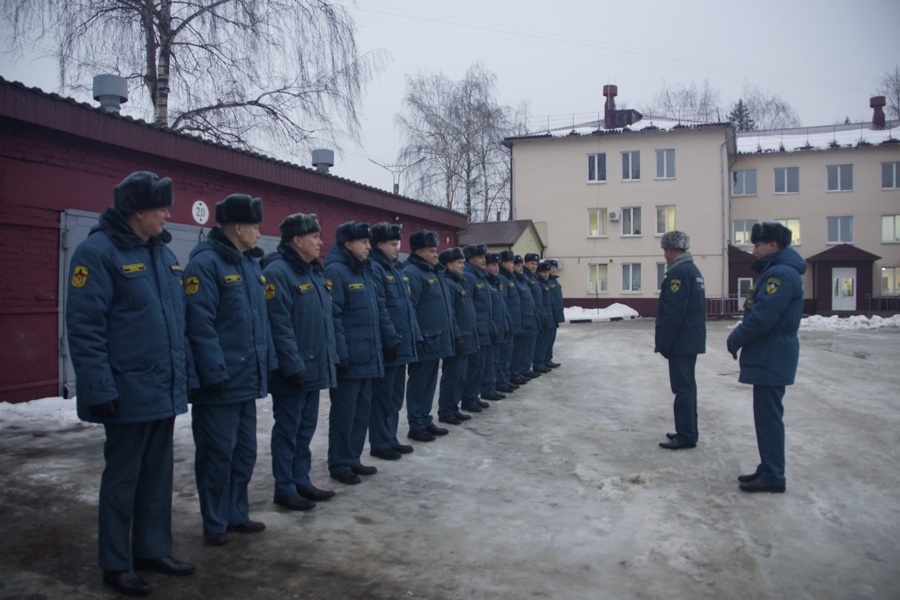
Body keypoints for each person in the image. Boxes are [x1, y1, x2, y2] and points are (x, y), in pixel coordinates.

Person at [66, 171, 195, 596]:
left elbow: (175, 323)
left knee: (157, 477)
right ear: (138, 211)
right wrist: (99, 388)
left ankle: (152, 549)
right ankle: (116, 562)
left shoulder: (161, 254)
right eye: (161, 208)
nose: (167, 214)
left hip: (160, 387)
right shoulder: (96, 254)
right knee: (122, 481)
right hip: (124, 392)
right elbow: (85, 328)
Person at [185, 193, 276, 546]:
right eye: (255, 226)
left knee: (243, 452)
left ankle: (237, 513)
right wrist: (213, 372)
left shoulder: (250, 264)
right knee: (216, 455)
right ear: (238, 227)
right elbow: (200, 323)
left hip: (245, 379)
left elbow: (257, 322)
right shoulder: (205, 265)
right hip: (219, 383)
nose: (258, 233)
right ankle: (215, 521)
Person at [262, 213, 338, 511]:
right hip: (292, 370)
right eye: (315, 237)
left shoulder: (312, 272)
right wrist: (292, 365)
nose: (320, 242)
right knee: (288, 429)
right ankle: (285, 486)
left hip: (314, 366)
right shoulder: (278, 272)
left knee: (305, 429)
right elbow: (279, 324)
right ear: (297, 240)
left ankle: (300, 479)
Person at [727, 221, 805, 494]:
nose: (754, 249)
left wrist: (736, 337)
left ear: (773, 245)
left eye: (758, 244)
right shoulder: (776, 271)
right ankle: (769, 466)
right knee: (765, 416)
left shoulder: (781, 275)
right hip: (771, 352)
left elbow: (763, 317)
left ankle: (773, 474)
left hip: (772, 352)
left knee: (768, 416)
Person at [325, 221, 399, 484]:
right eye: (363, 242)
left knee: (361, 412)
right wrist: (341, 354)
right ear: (348, 244)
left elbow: (378, 308)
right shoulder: (336, 271)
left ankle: (353, 458)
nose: (369, 246)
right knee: (344, 414)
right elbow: (333, 317)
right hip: (350, 359)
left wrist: (388, 340)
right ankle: (340, 463)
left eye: (369, 242)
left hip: (369, 355)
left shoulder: (364, 270)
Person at [369, 222, 421, 459]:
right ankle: (380, 442)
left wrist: (413, 335)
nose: (396, 248)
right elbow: (381, 308)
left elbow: (407, 308)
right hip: (389, 345)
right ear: (379, 244)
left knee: (394, 396)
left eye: (397, 244)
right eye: (392, 244)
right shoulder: (376, 269)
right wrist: (390, 339)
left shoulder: (395, 269)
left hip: (401, 342)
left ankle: (390, 437)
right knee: (383, 397)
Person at [654, 231, 706, 451]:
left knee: (682, 389)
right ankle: (688, 430)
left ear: (672, 250)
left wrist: (664, 342)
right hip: (690, 339)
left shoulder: (679, 273)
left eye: (666, 251)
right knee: (688, 388)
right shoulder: (692, 270)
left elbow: (673, 311)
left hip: (681, 341)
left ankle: (686, 434)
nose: (665, 255)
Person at [403, 230, 456, 441]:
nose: (437, 254)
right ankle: (416, 424)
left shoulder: (435, 272)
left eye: (437, 250)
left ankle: (425, 419)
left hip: (437, 338)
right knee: (419, 383)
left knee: (429, 382)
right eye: (432, 251)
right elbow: (410, 309)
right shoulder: (412, 273)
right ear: (418, 251)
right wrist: (417, 337)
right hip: (424, 340)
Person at [437, 247, 477, 425]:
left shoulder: (460, 282)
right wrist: (457, 336)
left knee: (461, 375)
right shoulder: (448, 284)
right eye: (459, 262)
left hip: (468, 336)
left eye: (463, 261)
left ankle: (454, 408)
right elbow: (450, 314)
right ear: (448, 264)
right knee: (452, 376)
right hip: (457, 338)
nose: (463, 265)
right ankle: (446, 410)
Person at [461, 243, 495, 413]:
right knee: (473, 367)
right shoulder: (468, 277)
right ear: (470, 259)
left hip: (484, 329)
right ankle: (467, 398)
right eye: (480, 257)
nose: (484, 259)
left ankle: (474, 396)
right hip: (475, 331)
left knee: (480, 367)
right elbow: (468, 306)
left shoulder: (481, 276)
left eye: (484, 256)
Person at [482, 252, 512, 400]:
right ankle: (486, 388)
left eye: (497, 265)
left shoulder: (497, 282)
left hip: (499, 326)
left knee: (495, 360)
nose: (496, 268)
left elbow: (502, 304)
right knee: (488, 362)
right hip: (489, 327)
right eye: (493, 265)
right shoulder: (485, 282)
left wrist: (506, 322)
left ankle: (491, 386)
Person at [497, 250, 524, 392]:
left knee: (509, 353)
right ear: (503, 263)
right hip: (506, 322)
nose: (513, 265)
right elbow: (504, 303)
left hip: (513, 321)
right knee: (504, 354)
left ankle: (506, 379)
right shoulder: (502, 279)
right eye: (511, 262)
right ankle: (501, 381)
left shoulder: (510, 278)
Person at [510, 255, 538, 384]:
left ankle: (522, 370)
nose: (520, 268)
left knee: (525, 348)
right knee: (517, 350)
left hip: (529, 317)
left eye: (521, 265)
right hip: (519, 319)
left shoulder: (523, 279)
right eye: (517, 265)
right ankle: (516, 372)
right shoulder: (513, 280)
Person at [523, 253, 549, 376]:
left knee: (533, 344)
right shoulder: (524, 277)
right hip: (529, 315)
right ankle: (524, 369)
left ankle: (528, 368)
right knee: (526, 346)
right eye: (531, 263)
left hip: (537, 314)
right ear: (525, 263)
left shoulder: (533, 278)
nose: (534, 266)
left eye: (535, 264)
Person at [545, 259, 565, 369]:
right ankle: (544, 360)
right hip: (549, 314)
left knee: (551, 339)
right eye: (551, 268)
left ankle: (548, 358)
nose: (553, 270)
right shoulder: (547, 281)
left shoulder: (555, 281)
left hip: (555, 315)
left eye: (555, 268)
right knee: (546, 340)